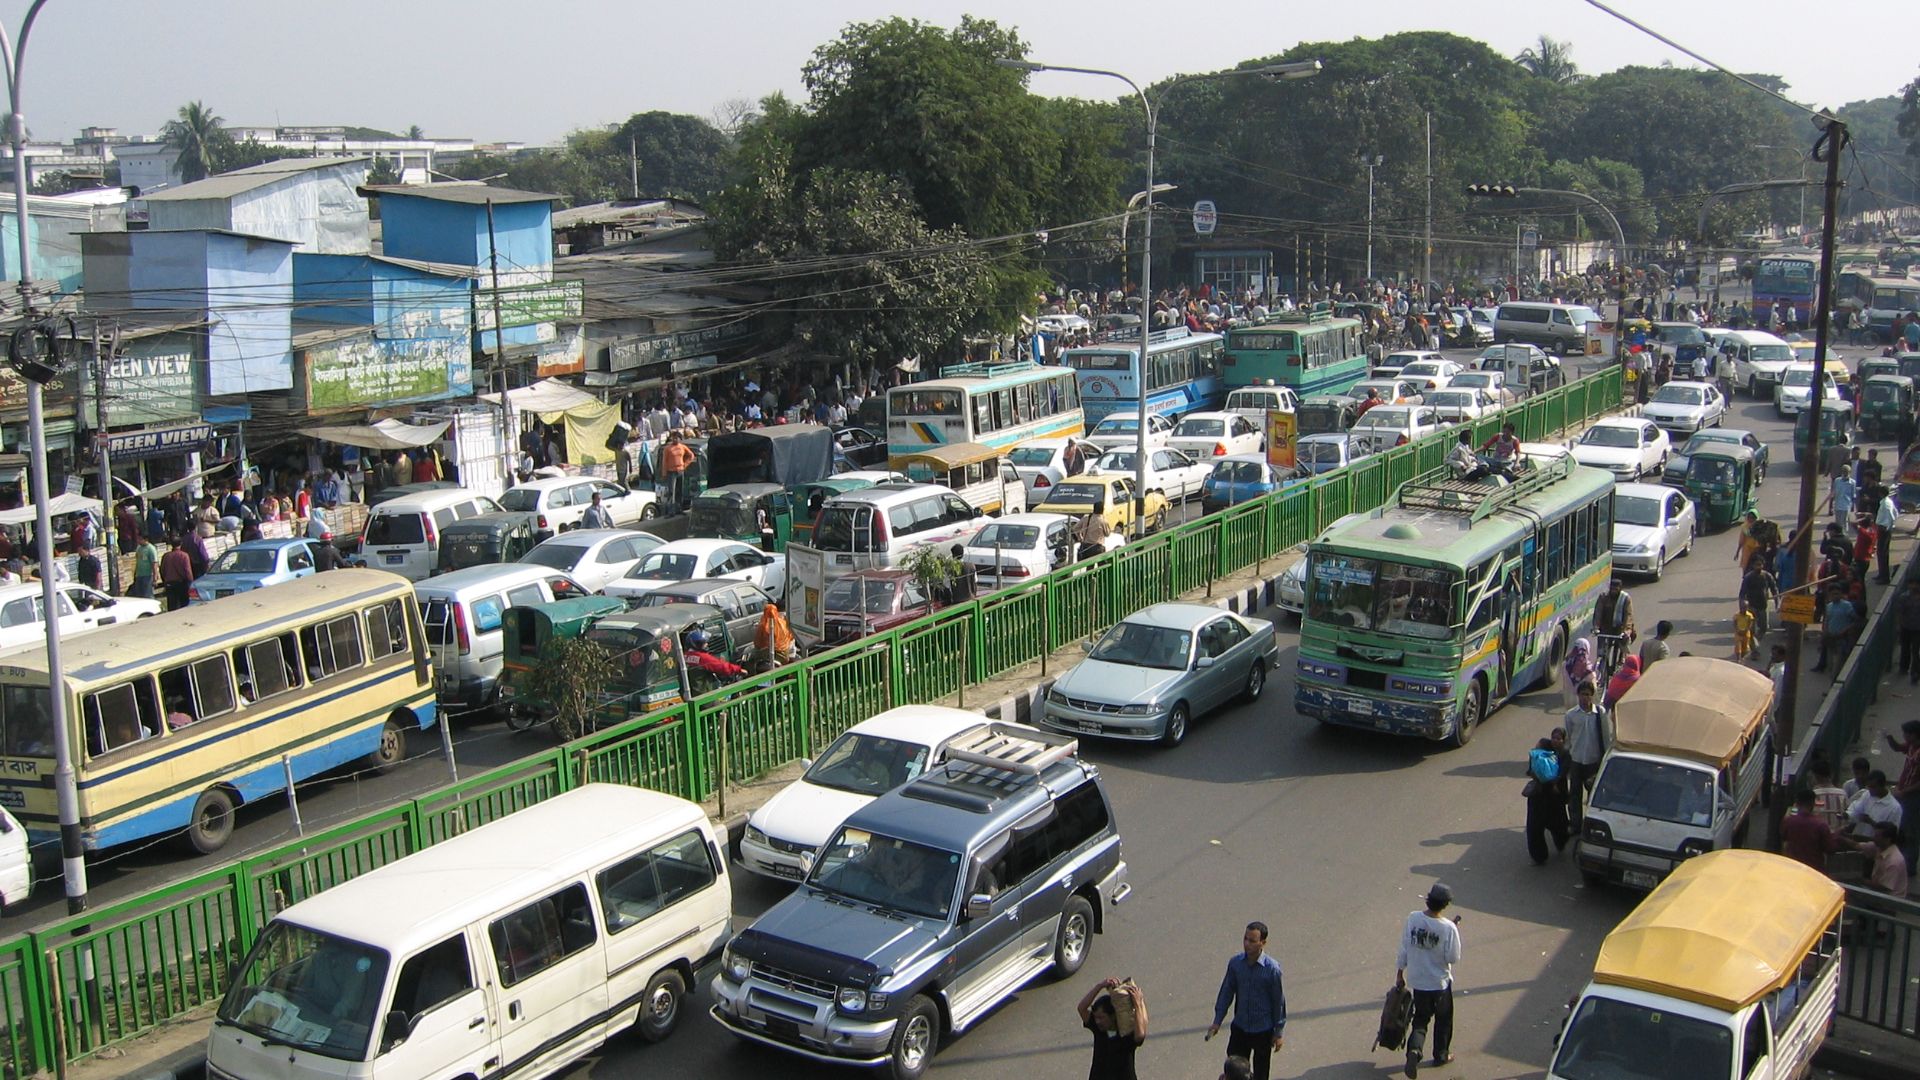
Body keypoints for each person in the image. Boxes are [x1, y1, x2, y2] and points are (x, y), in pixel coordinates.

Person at [1395, 883, 1462, 1077]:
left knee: (1420, 1021)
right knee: (1443, 1021)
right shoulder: (1448, 928)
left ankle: (1414, 1051)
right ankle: (1441, 1054)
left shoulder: (1413, 918)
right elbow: (1453, 958)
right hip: (1440, 985)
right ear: (1445, 904)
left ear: (1428, 899)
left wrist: (1399, 974)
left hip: (1419, 983)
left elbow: (1404, 949)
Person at [1208, 922, 1287, 1080]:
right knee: (1234, 1071)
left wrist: (1278, 1032)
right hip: (1241, 1027)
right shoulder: (1236, 964)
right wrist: (1217, 1021)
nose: (1247, 944)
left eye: (1252, 941)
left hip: (1262, 1031)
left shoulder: (1272, 969)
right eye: (1245, 939)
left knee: (1261, 1074)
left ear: (1262, 943)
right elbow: (1226, 992)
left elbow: (1278, 1001)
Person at [1076, 976, 1146, 1080]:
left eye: (1101, 1017)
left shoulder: (1124, 1034)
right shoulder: (1099, 1030)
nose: (1098, 1021)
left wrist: (1138, 1003)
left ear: (1113, 1016)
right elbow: (1081, 1008)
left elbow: (1140, 1034)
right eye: (1096, 1017)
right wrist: (1100, 986)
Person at [1563, 680, 1610, 826]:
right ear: (1578, 696)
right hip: (1577, 761)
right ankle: (1576, 825)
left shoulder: (1599, 713)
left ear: (1592, 696)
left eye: (1588, 695)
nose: (1585, 698)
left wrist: (1605, 759)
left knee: (1593, 796)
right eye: (1583, 695)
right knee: (1575, 796)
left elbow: (1605, 736)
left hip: (1594, 762)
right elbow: (1569, 737)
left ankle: (1590, 824)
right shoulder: (1571, 715)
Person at [1525, 730, 1571, 865]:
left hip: (1554, 797)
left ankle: (1559, 842)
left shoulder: (1564, 755)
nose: (1555, 741)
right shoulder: (1543, 750)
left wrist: (1554, 781)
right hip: (1540, 795)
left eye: (1559, 738)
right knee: (1535, 827)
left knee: (1557, 825)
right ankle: (1539, 856)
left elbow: (1563, 772)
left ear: (1563, 740)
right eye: (1553, 738)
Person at [1886, 720, 1920, 873]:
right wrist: (1889, 738)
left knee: (1910, 830)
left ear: (1914, 734)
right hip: (1904, 792)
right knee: (1901, 827)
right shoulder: (1911, 746)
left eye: (1906, 733)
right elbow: (1899, 748)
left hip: (1913, 797)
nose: (1904, 736)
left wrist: (1904, 792)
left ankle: (1909, 865)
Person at [1780, 788, 1841, 873]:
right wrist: (1836, 836)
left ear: (1797, 802)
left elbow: (1783, 838)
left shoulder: (1788, 821)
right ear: (1813, 803)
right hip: (1814, 870)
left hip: (1792, 867)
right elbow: (1830, 848)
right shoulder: (1820, 824)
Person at [1847, 821, 1909, 898]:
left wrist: (1861, 880)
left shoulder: (1894, 861)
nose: (1874, 838)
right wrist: (1841, 838)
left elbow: (1884, 887)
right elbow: (1857, 845)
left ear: (1887, 839)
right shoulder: (1878, 847)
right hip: (1879, 893)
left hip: (1890, 901)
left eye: (1877, 836)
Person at [1846, 770, 1903, 841]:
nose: (1870, 790)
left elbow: (1892, 833)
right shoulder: (1867, 795)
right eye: (1869, 787)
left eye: (1873, 787)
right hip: (1859, 837)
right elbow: (1856, 809)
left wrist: (1871, 822)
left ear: (1883, 785)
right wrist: (1847, 815)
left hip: (1877, 844)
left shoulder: (1894, 807)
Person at [1813, 586, 1858, 675]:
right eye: (1833, 594)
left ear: (1841, 594)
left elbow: (1855, 620)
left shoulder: (1847, 605)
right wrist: (1824, 634)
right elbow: (1826, 621)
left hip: (1842, 638)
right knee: (1830, 664)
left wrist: (1845, 631)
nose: (1835, 596)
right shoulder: (1829, 606)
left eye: (1837, 594)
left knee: (1838, 665)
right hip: (1831, 638)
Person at [1593, 579, 1635, 672]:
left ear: (1620, 589)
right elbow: (1598, 612)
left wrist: (1627, 630)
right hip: (1605, 627)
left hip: (1620, 628)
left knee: (1625, 644)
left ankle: (1624, 659)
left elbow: (1628, 615)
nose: (1613, 591)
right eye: (1612, 589)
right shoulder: (1603, 597)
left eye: (1616, 589)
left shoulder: (1625, 598)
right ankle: (1601, 666)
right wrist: (1596, 627)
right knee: (1601, 649)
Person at [1739, 557, 1777, 646]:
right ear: (1753, 566)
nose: (1758, 567)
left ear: (1763, 565)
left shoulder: (1767, 576)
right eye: (1756, 565)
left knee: (1764, 627)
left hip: (1763, 605)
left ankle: (1757, 642)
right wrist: (1742, 605)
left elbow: (1774, 589)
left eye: (1760, 565)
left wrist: (1777, 602)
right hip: (1752, 606)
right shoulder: (1748, 578)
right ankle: (1754, 647)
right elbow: (1742, 593)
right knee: (1752, 629)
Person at [754, 602, 797, 670]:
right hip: (784, 653)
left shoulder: (763, 626)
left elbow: (758, 643)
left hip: (768, 654)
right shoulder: (783, 623)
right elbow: (790, 637)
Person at [659, 434, 694, 514]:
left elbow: (691, 455)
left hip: (680, 471)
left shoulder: (682, 447)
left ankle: (679, 509)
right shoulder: (667, 448)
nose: (675, 439)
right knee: (671, 492)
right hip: (671, 472)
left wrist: (685, 464)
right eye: (674, 438)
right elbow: (664, 462)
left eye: (677, 438)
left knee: (680, 491)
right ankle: (671, 511)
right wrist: (664, 474)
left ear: (679, 439)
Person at [159, 536, 194, 612]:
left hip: (170, 584)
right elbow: (188, 571)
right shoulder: (184, 556)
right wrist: (191, 582)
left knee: (172, 607)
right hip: (181, 583)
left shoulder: (166, 556)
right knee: (184, 605)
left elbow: (162, 570)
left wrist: (165, 581)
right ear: (181, 544)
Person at [1874, 486, 1899, 584]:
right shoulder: (1887, 502)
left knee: (1882, 553)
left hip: (1884, 530)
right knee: (1882, 553)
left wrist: (1886, 525)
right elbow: (1896, 513)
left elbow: (1891, 515)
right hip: (1884, 529)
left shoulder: (1885, 504)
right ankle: (1881, 574)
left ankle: (1884, 577)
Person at [1562, 637, 1596, 708]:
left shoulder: (1566, 665)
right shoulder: (1589, 672)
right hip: (1583, 708)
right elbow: (1594, 694)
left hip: (1569, 705)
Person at [1897, 579, 1920, 686]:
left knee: (1916, 651)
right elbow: (1900, 613)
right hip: (1906, 627)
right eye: (1911, 584)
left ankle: (1914, 672)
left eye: (1915, 584)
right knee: (1905, 648)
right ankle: (1904, 667)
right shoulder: (1904, 597)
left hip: (1917, 629)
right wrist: (1900, 625)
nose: (1913, 586)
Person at [128, 532, 158, 599]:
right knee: (139, 596)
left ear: (146, 539)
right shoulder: (139, 548)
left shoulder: (151, 549)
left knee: (147, 594)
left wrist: (155, 576)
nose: (139, 541)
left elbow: (154, 563)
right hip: (139, 575)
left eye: (140, 539)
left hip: (147, 575)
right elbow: (138, 561)